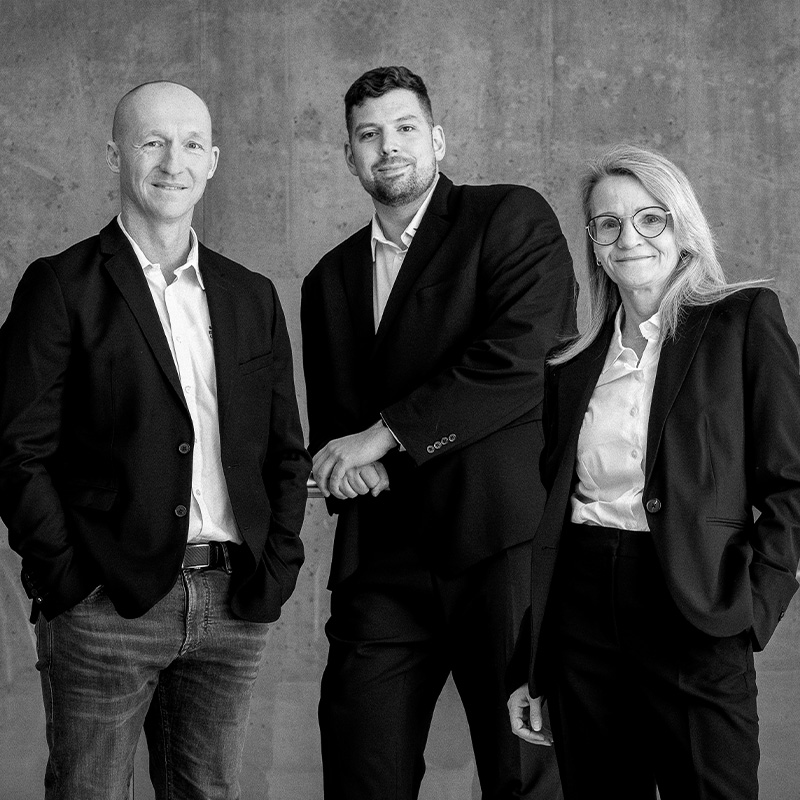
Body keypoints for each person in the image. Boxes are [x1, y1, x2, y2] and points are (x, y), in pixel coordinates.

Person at [0, 81, 311, 800]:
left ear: (213, 162)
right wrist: (69, 581)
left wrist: (277, 565)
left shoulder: (251, 295)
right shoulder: (60, 286)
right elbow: (15, 450)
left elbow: (284, 451)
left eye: (192, 144)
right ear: (116, 155)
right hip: (104, 608)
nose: (174, 162)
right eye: (152, 142)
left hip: (233, 603)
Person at [302, 65, 576, 799]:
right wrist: (354, 459)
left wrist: (383, 436)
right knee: (361, 775)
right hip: (382, 560)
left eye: (405, 128)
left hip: (500, 544)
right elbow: (338, 426)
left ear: (438, 139)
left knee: (526, 777)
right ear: (349, 156)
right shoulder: (327, 280)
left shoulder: (509, 217)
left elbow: (521, 361)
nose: (388, 146)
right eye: (368, 135)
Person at [507, 143, 800, 799]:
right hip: (581, 615)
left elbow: (794, 481)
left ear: (682, 227)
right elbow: (555, 521)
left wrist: (754, 605)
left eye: (649, 218)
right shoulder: (570, 364)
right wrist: (533, 661)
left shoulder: (742, 321)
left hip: (696, 607)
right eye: (608, 224)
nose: (629, 238)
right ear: (594, 243)